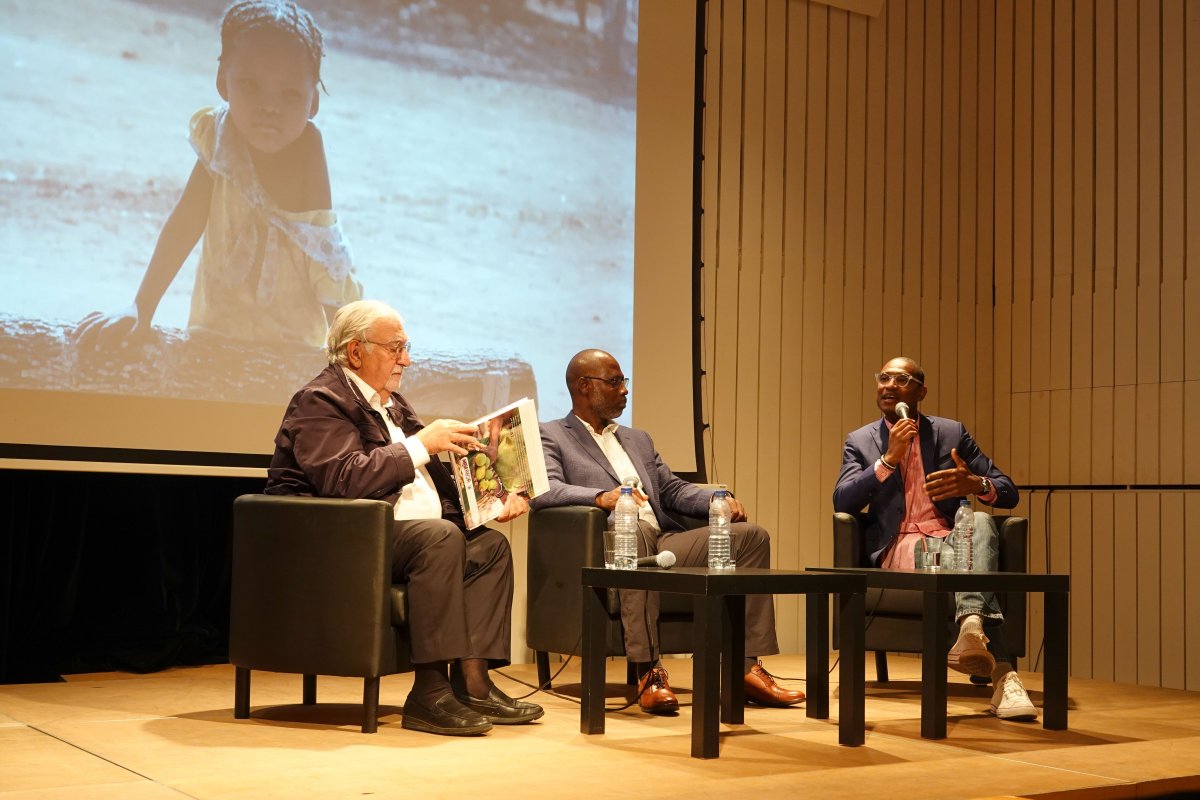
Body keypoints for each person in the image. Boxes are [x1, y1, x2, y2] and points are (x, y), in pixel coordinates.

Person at [264, 299, 543, 736]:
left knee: (488, 546)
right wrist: (422, 444)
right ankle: (429, 693)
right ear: (355, 352)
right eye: (395, 348)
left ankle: (473, 683)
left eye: (406, 347)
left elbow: (427, 484)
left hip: (397, 537)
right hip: (339, 541)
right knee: (437, 538)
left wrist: (490, 502)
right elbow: (343, 479)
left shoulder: (392, 406)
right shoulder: (319, 400)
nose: (406, 360)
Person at [530, 349, 805, 714]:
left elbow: (672, 490)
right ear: (584, 386)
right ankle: (649, 671)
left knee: (750, 536)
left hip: (663, 540)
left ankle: (743, 668)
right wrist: (604, 498)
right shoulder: (551, 435)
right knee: (636, 527)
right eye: (615, 382)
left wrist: (716, 499)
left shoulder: (637, 439)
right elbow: (544, 489)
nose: (624, 390)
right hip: (608, 548)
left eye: (624, 382)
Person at [74, 0, 361, 350]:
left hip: (290, 349)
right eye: (251, 85)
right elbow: (185, 222)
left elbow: (325, 253)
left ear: (312, 102)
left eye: (290, 94)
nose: (269, 107)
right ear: (223, 83)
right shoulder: (220, 137)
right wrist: (141, 307)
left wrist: (350, 357)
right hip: (212, 335)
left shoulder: (307, 150)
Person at [832, 356, 1038, 721]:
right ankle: (1003, 676)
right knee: (973, 554)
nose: (889, 385)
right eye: (884, 378)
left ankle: (971, 627)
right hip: (900, 546)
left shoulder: (950, 433)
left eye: (902, 379)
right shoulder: (860, 441)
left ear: (921, 392)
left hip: (952, 543)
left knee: (978, 521)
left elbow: (1008, 492)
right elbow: (843, 500)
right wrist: (887, 460)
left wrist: (978, 484)